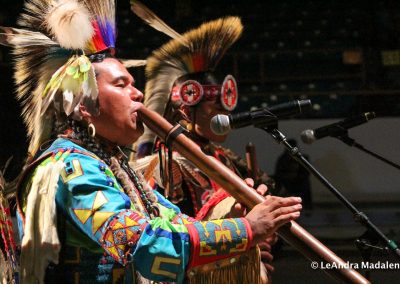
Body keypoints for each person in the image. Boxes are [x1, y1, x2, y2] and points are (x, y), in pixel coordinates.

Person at [1, 1, 302, 283]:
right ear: (83, 104)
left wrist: (234, 218)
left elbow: (174, 224)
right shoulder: (70, 169)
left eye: (135, 84)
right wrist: (247, 229)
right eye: (122, 85)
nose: (139, 94)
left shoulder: (109, 165)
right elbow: (146, 245)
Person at [134, 16, 279, 283]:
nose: (225, 116)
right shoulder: (164, 167)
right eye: (216, 109)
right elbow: (162, 232)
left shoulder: (226, 159)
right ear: (187, 109)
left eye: (226, 108)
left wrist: (264, 239)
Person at [274, 139, 313, 210]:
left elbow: (306, 173)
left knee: (305, 184)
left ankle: (307, 207)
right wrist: (288, 176)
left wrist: (296, 176)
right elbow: (278, 174)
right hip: (286, 183)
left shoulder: (303, 158)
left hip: (299, 182)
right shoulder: (282, 159)